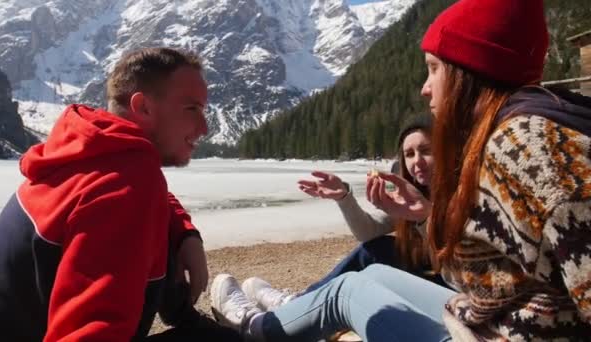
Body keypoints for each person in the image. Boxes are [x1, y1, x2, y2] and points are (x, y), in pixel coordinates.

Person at [210, 0, 591, 340]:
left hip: (500, 334)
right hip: (493, 318)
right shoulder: (515, 136)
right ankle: (292, 309)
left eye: (434, 68)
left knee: (346, 293)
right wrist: (423, 217)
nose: (425, 88)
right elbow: (495, 279)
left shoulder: (529, 148)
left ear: (468, 70)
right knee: (369, 274)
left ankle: (255, 328)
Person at [0, 47, 241, 341]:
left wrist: (184, 233)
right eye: (192, 109)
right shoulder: (127, 184)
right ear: (143, 107)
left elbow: (152, 200)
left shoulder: (91, 154)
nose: (204, 127)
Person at [239, 114, 447, 313]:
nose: (416, 161)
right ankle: (304, 303)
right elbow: (369, 233)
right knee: (375, 249)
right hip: (431, 277)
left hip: (454, 289)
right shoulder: (411, 193)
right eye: (409, 154)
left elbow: (462, 259)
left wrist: (425, 215)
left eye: (425, 150)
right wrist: (344, 198)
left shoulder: (464, 195)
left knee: (376, 253)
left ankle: (298, 305)